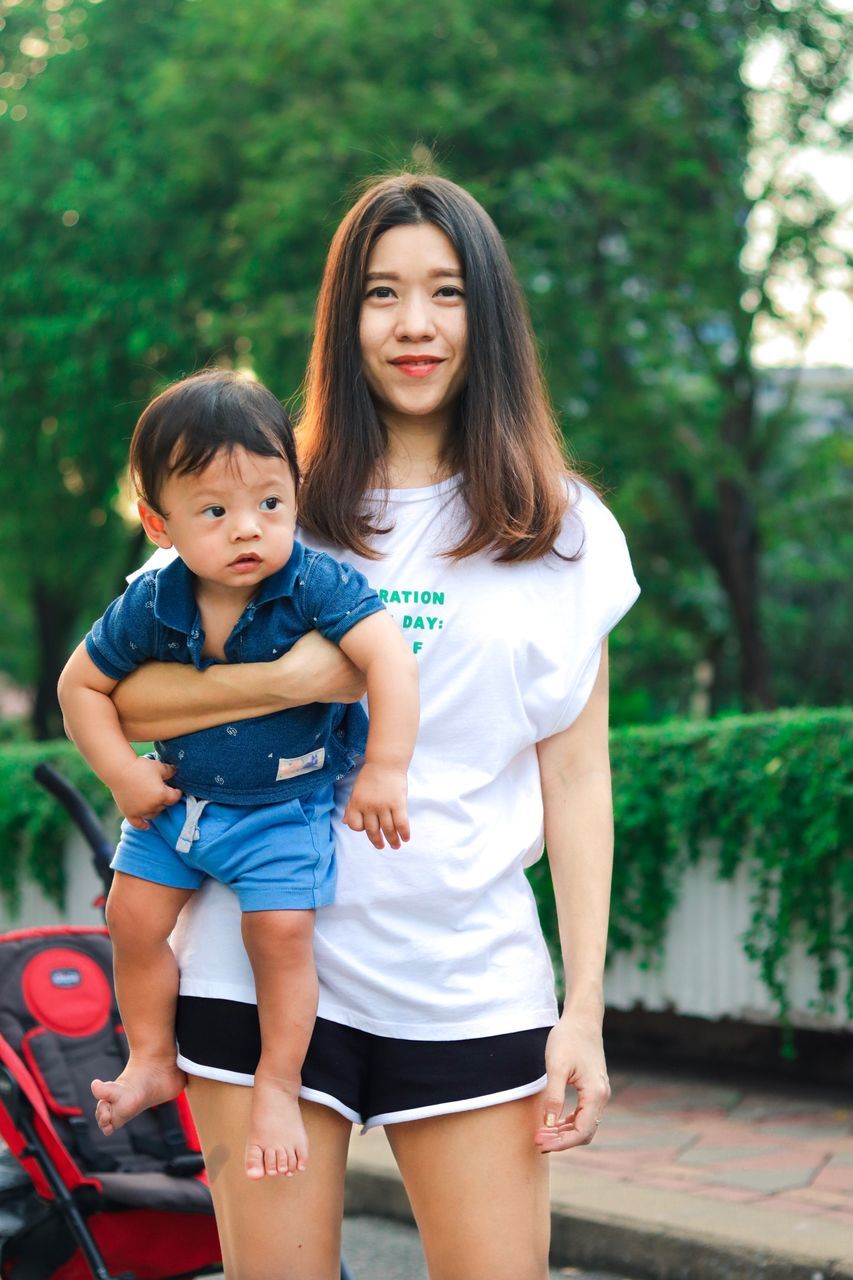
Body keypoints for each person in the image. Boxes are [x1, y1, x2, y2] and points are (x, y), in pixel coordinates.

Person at [110, 174, 640, 1280]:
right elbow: (126, 694)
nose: (412, 325)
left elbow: (578, 778)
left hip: (466, 973)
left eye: (444, 293)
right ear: (342, 318)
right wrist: (294, 676)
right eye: (381, 293)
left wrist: (582, 1009)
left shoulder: (560, 528)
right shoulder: (261, 488)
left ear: (483, 315)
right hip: (255, 969)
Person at [57, 370, 419, 1180]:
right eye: (215, 512)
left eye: (269, 503)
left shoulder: (312, 584)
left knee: (282, 935)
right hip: (178, 807)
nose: (247, 529)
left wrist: (384, 769)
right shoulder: (154, 601)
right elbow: (79, 686)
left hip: (280, 813)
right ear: (160, 522)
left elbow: (389, 660)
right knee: (129, 917)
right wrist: (121, 776)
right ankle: (152, 1056)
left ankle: (279, 1085)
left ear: (294, 494)